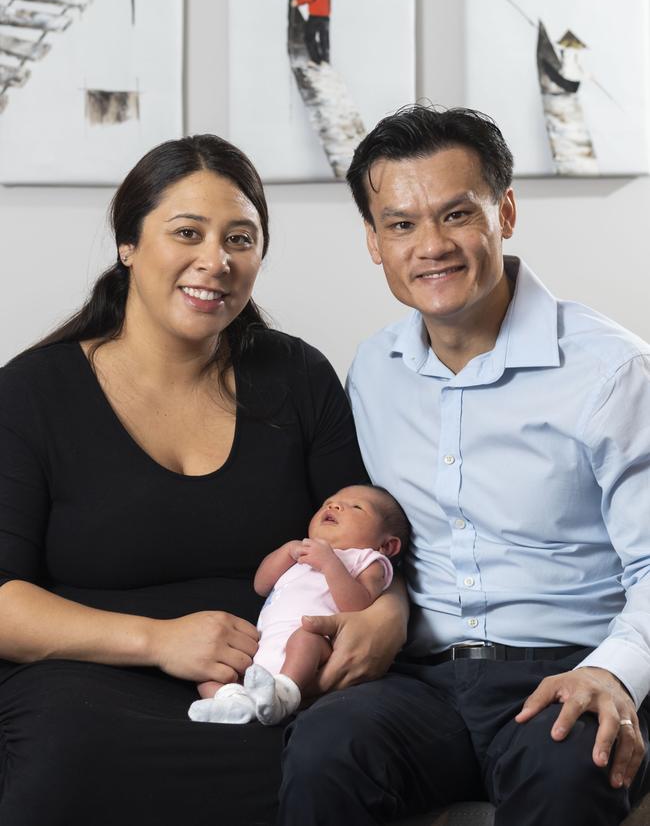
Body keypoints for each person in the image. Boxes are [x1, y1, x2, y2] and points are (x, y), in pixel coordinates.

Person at [0, 134, 409, 826]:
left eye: (240, 239)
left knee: (326, 762)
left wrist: (388, 618)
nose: (215, 262)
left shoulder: (298, 379)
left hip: (272, 683)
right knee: (69, 757)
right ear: (129, 243)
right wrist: (158, 640)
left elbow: (370, 535)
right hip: (86, 688)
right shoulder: (34, 393)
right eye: (187, 232)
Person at [278, 106, 650, 826]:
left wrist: (614, 672)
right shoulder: (375, 371)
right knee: (325, 748)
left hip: (571, 666)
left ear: (504, 212)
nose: (431, 247)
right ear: (373, 240)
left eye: (456, 214)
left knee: (572, 763)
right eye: (401, 224)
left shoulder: (613, 372)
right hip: (422, 682)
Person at [188, 484, 409, 726]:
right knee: (208, 669)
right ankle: (233, 702)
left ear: (386, 546)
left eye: (356, 507)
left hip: (316, 647)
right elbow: (261, 585)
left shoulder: (368, 560)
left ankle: (284, 693)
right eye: (330, 501)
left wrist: (330, 564)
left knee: (304, 638)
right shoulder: (301, 553)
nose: (334, 505)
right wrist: (287, 551)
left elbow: (358, 605)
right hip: (261, 651)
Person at [291, 0, 342, 65]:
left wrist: (297, 1)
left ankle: (315, 59)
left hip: (315, 16)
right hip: (325, 17)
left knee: (309, 37)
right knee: (324, 39)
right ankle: (325, 60)